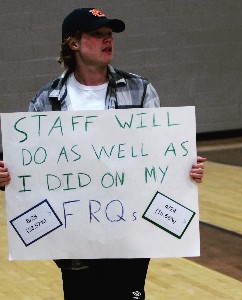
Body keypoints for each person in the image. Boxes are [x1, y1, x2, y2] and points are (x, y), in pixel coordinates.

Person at [0, 7, 206, 300]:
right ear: (73, 44)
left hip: (130, 229)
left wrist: (185, 169)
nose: (107, 41)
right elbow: (30, 168)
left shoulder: (140, 90)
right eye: (97, 35)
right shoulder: (47, 99)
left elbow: (161, 154)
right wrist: (8, 176)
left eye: (109, 35)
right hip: (74, 233)